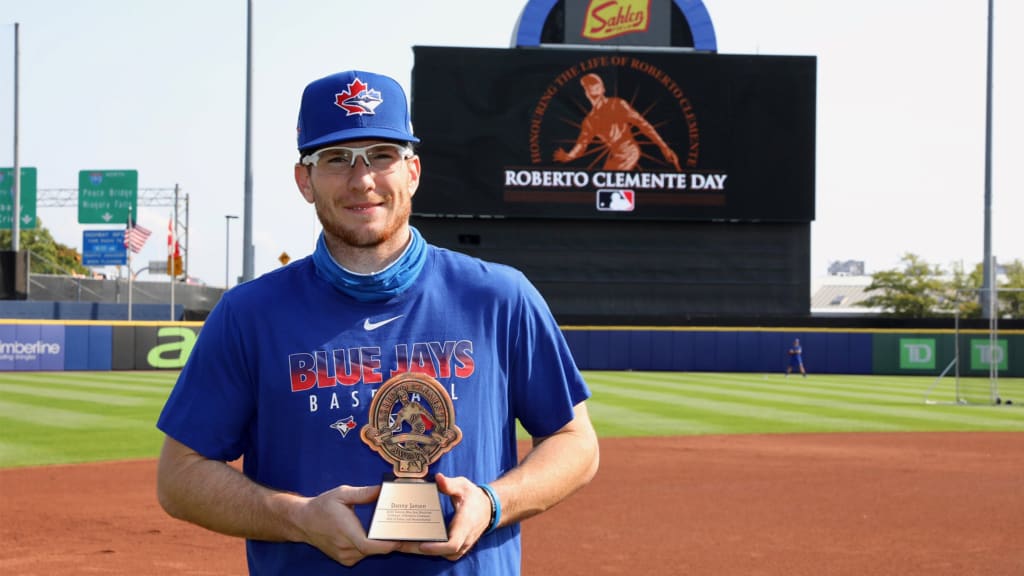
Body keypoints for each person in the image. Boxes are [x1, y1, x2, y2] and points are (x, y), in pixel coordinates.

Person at [155, 69, 599, 575]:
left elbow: (575, 443)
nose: (361, 179)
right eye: (336, 158)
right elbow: (179, 477)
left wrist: (493, 503)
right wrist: (297, 518)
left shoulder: (498, 296)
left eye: (381, 155)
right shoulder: (248, 315)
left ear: (412, 171)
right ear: (305, 180)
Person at [553, 72, 681, 171]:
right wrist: (569, 156)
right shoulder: (590, 121)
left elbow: (643, 124)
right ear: (586, 93)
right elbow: (582, 144)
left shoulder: (618, 104)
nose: (595, 93)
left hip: (629, 152)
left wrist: (664, 147)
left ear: (603, 89)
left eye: (597, 88)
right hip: (615, 157)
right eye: (591, 92)